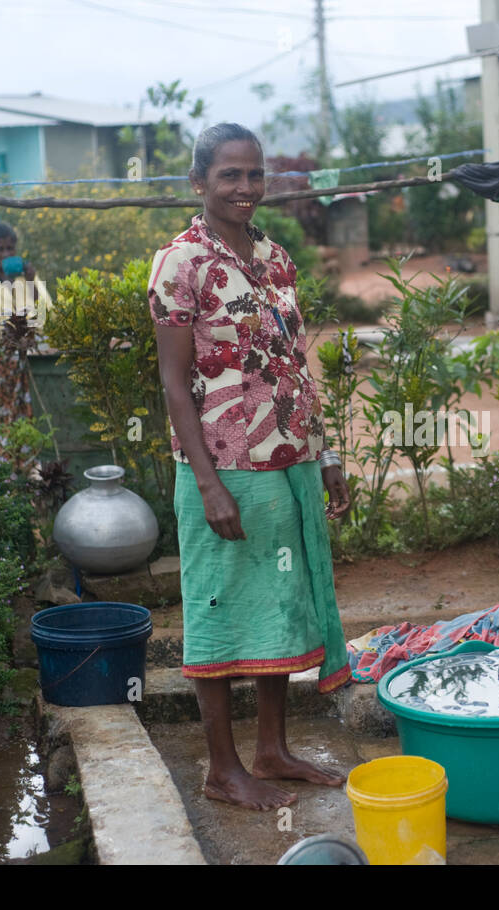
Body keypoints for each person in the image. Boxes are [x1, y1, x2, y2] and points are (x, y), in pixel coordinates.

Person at [149, 123, 353, 811]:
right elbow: (176, 385)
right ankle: (221, 767)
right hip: (225, 470)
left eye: (254, 174)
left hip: (289, 462)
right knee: (219, 609)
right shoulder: (180, 263)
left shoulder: (275, 258)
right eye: (229, 175)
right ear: (198, 183)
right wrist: (208, 483)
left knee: (278, 605)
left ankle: (270, 749)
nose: (244, 187)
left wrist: (326, 454)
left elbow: (297, 363)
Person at [0, 221, 51, 458]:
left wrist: (30, 282)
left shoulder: (25, 278)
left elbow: (45, 315)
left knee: (26, 421)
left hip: (26, 362)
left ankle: (24, 466)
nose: (6, 255)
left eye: (10, 249)